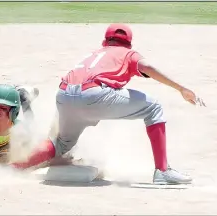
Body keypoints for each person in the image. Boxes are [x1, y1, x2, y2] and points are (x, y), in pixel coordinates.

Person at [11, 24, 206, 185]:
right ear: (128, 43)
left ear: (105, 41)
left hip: (63, 94)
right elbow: (147, 67)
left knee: (60, 143)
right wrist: (181, 88)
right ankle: (163, 170)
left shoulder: (94, 55)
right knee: (153, 107)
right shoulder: (128, 54)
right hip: (93, 95)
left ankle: (12, 167)